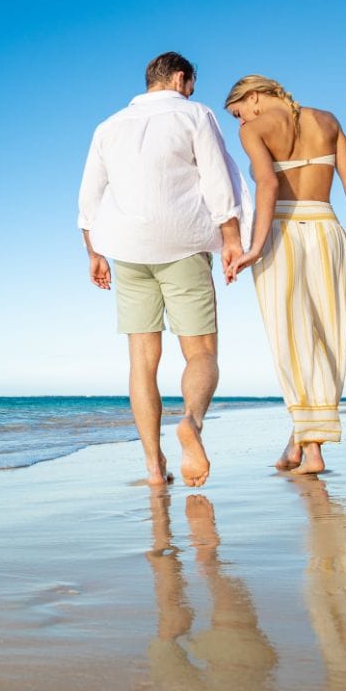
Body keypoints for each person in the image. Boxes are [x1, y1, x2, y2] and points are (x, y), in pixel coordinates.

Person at [79, 52, 251, 487]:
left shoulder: (108, 126)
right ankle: (191, 421)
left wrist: (94, 253)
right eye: (191, 83)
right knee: (201, 353)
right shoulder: (195, 114)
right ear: (180, 78)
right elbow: (217, 180)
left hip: (127, 252)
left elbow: (89, 200)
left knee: (142, 362)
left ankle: (154, 467)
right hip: (184, 245)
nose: (192, 90)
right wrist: (232, 239)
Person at [223, 75, 346, 474]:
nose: (240, 123)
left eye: (238, 114)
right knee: (330, 335)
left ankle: (312, 452)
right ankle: (301, 444)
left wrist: (255, 246)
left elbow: (267, 183)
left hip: (283, 232)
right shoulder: (327, 120)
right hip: (328, 229)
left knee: (292, 338)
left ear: (253, 98)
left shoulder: (255, 130)